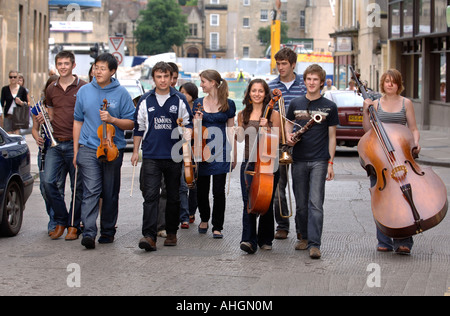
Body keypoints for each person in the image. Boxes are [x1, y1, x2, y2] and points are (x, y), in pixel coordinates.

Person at [73, 53, 135, 249]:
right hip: (88, 147)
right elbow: (77, 121)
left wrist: (113, 120)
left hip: (113, 149)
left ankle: (108, 230)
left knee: (110, 192)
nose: (97, 71)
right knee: (91, 190)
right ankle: (89, 232)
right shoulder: (84, 91)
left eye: (102, 68)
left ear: (112, 71)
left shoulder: (122, 93)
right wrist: (76, 150)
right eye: (95, 68)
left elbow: (131, 123)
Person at [133, 61, 193, 252]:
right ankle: (149, 236)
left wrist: (187, 133)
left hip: (174, 155)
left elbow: (189, 125)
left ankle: (172, 232)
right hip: (151, 155)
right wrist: (135, 151)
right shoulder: (145, 100)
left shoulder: (180, 99)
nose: (162, 80)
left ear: (171, 78)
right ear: (154, 79)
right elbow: (139, 127)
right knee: (150, 196)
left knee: (173, 196)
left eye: (166, 76)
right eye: (159, 76)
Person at [362, 69, 420, 255]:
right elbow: (367, 131)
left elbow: (413, 128)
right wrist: (365, 111)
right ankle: (384, 241)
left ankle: (404, 241)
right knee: (382, 200)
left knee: (404, 198)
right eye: (386, 81)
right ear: (382, 84)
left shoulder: (406, 103)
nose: (389, 84)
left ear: (398, 84)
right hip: (380, 158)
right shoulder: (376, 104)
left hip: (401, 156)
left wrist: (416, 142)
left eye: (393, 81)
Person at [285, 64, 339, 259]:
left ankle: (315, 244)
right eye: (309, 79)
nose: (312, 82)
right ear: (304, 81)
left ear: (322, 82)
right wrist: (289, 136)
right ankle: (304, 237)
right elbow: (287, 127)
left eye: (315, 79)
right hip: (298, 159)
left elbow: (332, 137)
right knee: (300, 204)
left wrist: (331, 163)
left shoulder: (330, 106)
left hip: (319, 160)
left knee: (316, 203)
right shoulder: (295, 103)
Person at [39, 52, 85, 241]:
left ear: (73, 65)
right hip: (55, 144)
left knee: (78, 188)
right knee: (48, 183)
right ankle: (61, 220)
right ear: (56, 66)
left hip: (76, 143)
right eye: (60, 64)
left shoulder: (83, 87)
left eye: (66, 63)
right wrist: (42, 119)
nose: (63, 67)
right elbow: (51, 114)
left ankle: (73, 226)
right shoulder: (51, 88)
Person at [237, 79, 281, 254]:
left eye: (260, 91)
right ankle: (248, 240)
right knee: (248, 201)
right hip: (249, 161)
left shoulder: (273, 114)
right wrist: (237, 130)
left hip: (268, 163)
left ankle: (265, 238)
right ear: (248, 93)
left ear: (266, 94)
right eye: (253, 91)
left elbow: (276, 140)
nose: (257, 94)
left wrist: (268, 128)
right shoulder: (242, 114)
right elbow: (241, 139)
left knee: (265, 201)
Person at [268, 47, 306, 240]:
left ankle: (302, 229)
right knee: (277, 187)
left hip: (301, 142)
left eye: (284, 64)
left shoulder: (304, 86)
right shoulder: (270, 86)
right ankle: (282, 225)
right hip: (279, 142)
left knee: (300, 188)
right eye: (278, 63)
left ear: (293, 65)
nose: (280, 67)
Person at [193, 69, 236, 239]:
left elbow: (231, 129)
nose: (201, 85)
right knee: (201, 190)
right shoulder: (198, 102)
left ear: (213, 83)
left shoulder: (229, 103)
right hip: (202, 150)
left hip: (221, 151)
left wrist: (234, 154)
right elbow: (194, 130)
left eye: (203, 81)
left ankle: (217, 226)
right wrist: (197, 120)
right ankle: (204, 218)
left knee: (218, 191)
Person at [31, 74, 60, 235]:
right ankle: (53, 217)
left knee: (58, 187)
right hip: (46, 148)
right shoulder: (39, 107)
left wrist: (51, 117)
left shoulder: (62, 105)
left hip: (60, 147)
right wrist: (37, 138)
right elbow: (34, 129)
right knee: (45, 187)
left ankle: (57, 222)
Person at [179, 82, 199, 227]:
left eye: (186, 92)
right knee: (182, 184)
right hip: (180, 148)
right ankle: (184, 215)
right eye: (181, 92)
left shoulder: (197, 109)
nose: (183, 95)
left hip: (194, 148)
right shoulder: (179, 109)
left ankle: (191, 211)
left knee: (194, 183)